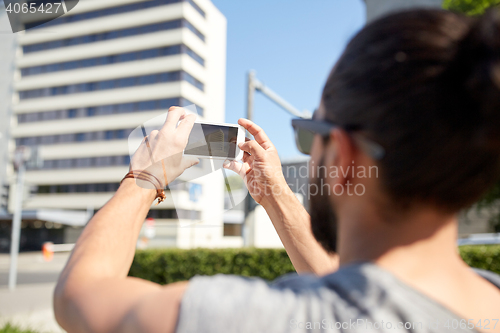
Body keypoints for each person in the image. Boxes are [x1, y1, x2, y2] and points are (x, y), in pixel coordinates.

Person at [54, 8, 500, 333]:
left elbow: (79, 298)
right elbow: (349, 286)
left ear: (342, 156)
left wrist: (146, 176)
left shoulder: (265, 319)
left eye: (309, 134)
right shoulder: (488, 301)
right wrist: (274, 194)